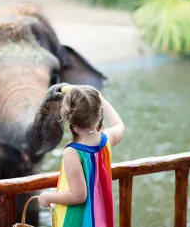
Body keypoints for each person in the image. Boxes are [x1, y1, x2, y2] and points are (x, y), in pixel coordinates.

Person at [38, 85, 125, 227]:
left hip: (76, 221)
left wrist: (47, 197)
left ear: (68, 117)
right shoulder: (107, 139)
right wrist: (100, 97)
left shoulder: (72, 152)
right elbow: (119, 124)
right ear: (99, 113)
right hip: (100, 218)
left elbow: (78, 195)